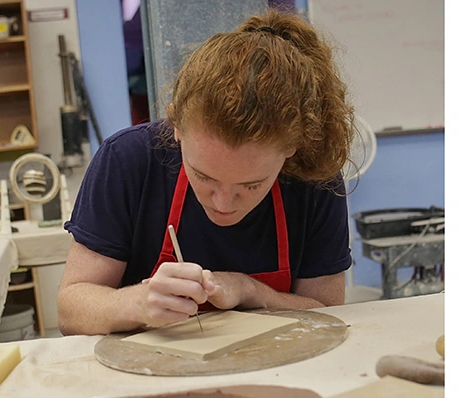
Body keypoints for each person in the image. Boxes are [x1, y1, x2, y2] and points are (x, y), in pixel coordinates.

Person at [58, 9, 358, 335]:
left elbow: (328, 313)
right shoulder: (127, 162)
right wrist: (137, 303)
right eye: (204, 177)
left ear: (292, 147)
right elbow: (71, 310)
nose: (224, 203)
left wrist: (250, 291)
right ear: (176, 125)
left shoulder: (315, 179)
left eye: (252, 185)